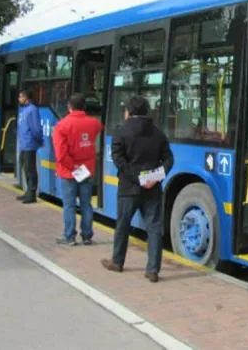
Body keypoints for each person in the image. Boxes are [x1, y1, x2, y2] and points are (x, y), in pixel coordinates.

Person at [101, 96, 174, 283]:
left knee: (123, 225)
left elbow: (119, 161)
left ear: (129, 112)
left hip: (128, 188)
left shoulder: (121, 132)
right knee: (154, 228)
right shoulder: (158, 133)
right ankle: (153, 270)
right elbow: (168, 160)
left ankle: (117, 262)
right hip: (153, 189)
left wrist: (138, 178)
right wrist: (153, 177)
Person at [52, 93, 103, 246]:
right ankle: (87, 236)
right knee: (86, 204)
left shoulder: (61, 126)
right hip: (85, 171)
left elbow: (61, 154)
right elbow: (100, 129)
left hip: (68, 171)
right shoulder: (94, 123)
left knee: (69, 205)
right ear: (84, 107)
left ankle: (69, 236)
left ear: (69, 107)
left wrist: (72, 166)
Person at [17, 89, 43, 204]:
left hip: (29, 144)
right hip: (23, 144)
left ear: (26, 97)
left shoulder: (32, 109)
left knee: (30, 169)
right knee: (25, 167)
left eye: (20, 97)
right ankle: (28, 191)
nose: (19, 99)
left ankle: (32, 193)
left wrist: (38, 140)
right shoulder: (24, 110)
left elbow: (36, 128)